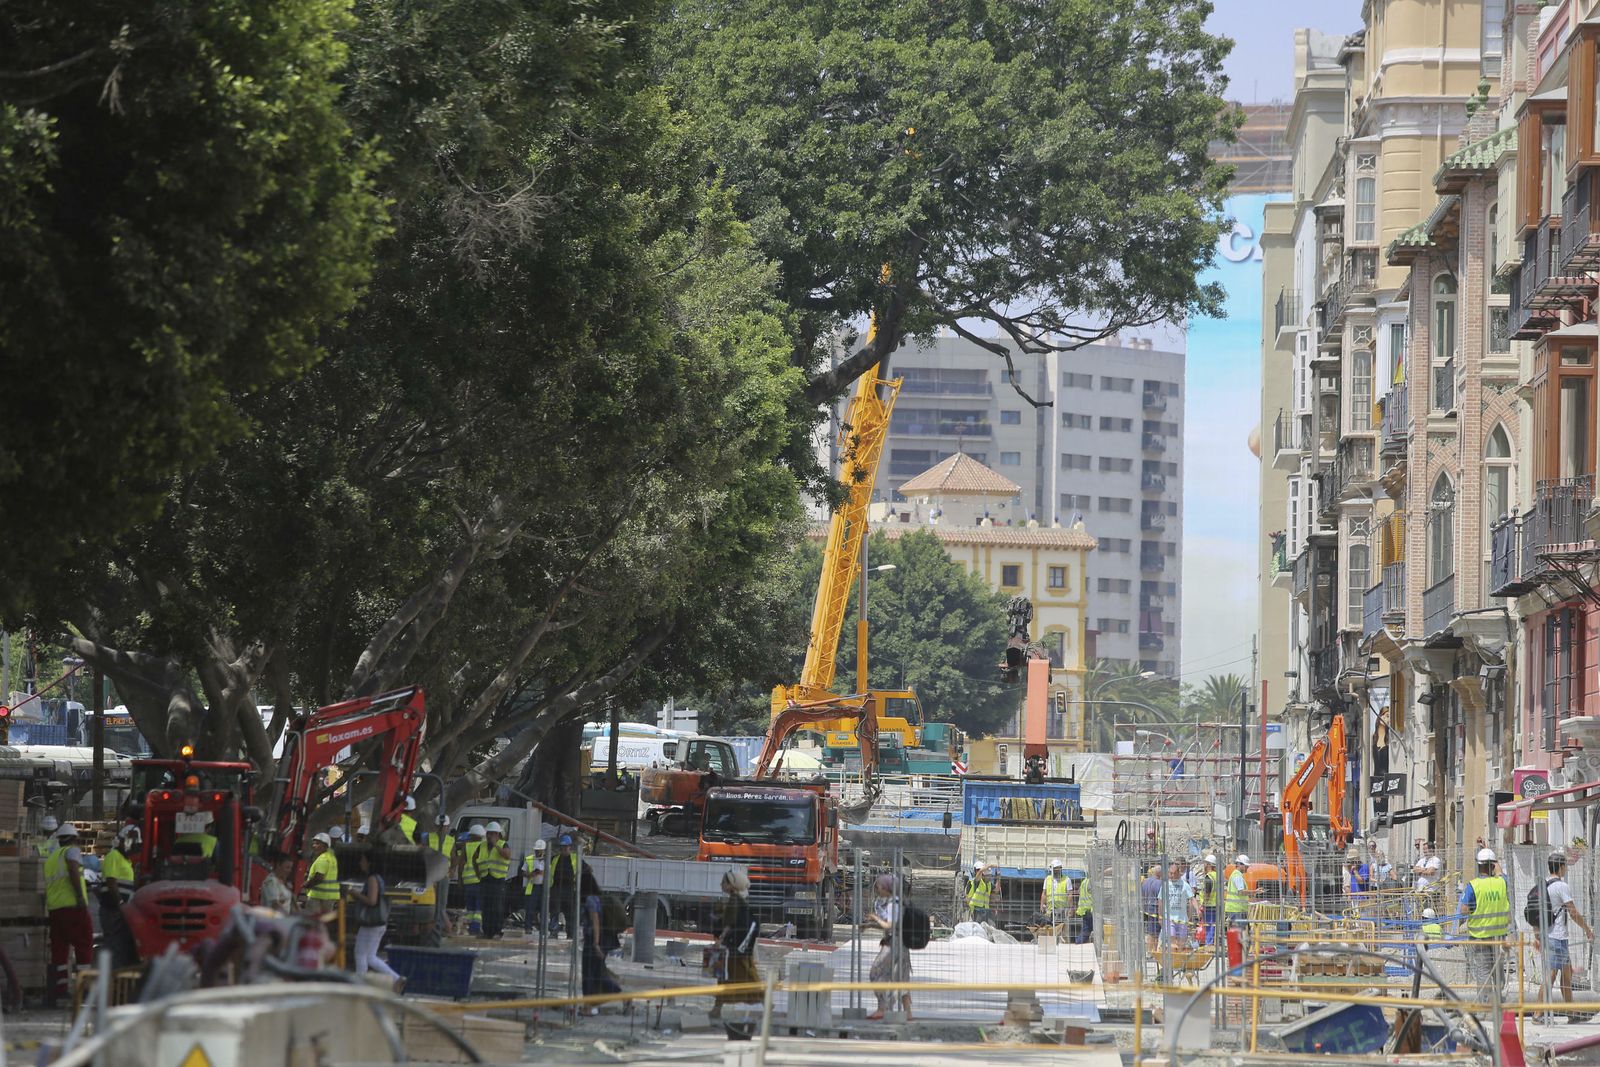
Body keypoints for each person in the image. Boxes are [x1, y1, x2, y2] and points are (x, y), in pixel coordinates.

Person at [1537, 851, 1593, 1009]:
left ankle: (1571, 1011)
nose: (1566, 870)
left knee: (1567, 975)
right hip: (1557, 937)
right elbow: (1573, 913)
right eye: (1565, 867)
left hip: (1551, 935)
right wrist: (1587, 930)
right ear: (1560, 867)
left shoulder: (1544, 884)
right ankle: (1537, 1013)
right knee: (1551, 976)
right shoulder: (1561, 886)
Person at [45, 823, 92, 1005]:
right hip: (73, 907)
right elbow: (73, 869)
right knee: (84, 945)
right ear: (74, 839)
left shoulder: (52, 858)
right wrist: (80, 896)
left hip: (55, 909)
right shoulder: (72, 852)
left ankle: (60, 989)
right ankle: (84, 988)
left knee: (60, 950)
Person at [1458, 847, 1510, 1006]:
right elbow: (1500, 872)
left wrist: (1456, 928)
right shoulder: (1501, 882)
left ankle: (1486, 1005)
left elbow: (1464, 910)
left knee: (1483, 972)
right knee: (1497, 970)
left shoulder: (1473, 886)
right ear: (1492, 865)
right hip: (1498, 936)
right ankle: (1499, 1002)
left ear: (1478, 866)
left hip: (1479, 936)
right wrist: (1492, 856)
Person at [347, 850, 403, 991]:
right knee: (370, 957)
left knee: (360, 953)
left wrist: (355, 894)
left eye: (363, 860)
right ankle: (396, 979)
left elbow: (372, 901)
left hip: (370, 923)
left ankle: (360, 987)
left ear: (369, 862)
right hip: (378, 924)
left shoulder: (372, 879)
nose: (361, 863)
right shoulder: (379, 878)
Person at [709, 868, 759, 1020]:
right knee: (729, 977)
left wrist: (719, 941)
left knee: (743, 976)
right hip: (738, 946)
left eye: (724, 882)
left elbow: (729, 924)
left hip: (735, 948)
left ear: (732, 885)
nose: (721, 884)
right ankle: (717, 1009)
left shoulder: (734, 901)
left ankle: (765, 1002)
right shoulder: (739, 899)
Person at [866, 873, 911, 1021]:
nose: (878, 890)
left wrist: (875, 918)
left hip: (893, 944)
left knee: (876, 972)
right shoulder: (900, 902)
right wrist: (870, 925)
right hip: (903, 944)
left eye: (879, 886)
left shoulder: (893, 904)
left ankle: (882, 1008)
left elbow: (890, 925)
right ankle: (908, 1013)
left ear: (887, 888)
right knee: (902, 978)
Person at [579, 864, 621, 1011]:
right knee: (597, 974)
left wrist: (595, 944)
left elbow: (596, 922)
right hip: (595, 940)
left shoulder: (590, 900)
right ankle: (622, 997)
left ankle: (588, 1005)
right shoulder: (597, 897)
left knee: (589, 975)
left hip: (594, 942)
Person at [98, 825, 140, 968]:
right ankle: (110, 975)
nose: (131, 847)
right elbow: (111, 882)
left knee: (120, 943)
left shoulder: (125, 861)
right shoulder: (113, 856)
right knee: (113, 944)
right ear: (122, 841)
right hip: (113, 909)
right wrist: (121, 903)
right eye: (129, 843)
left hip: (119, 910)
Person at [423, 813, 456, 936]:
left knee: (441, 904)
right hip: (430, 876)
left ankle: (445, 928)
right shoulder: (428, 838)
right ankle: (444, 927)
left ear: (448, 827)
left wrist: (452, 869)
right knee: (431, 903)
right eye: (440, 827)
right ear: (436, 827)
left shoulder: (450, 840)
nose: (443, 829)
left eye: (445, 827)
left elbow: (454, 857)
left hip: (443, 876)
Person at [478, 821, 511, 939]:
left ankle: (497, 931)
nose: (489, 836)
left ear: (498, 835)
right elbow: (474, 859)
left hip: (498, 880)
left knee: (497, 907)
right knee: (486, 907)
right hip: (485, 879)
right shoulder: (482, 845)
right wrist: (479, 874)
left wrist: (495, 845)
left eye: (492, 834)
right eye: (488, 834)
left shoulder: (503, 844)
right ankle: (487, 931)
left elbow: (507, 855)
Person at [301, 832, 341, 915]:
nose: (314, 846)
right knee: (323, 923)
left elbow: (319, 877)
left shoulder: (323, 859)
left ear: (325, 846)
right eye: (314, 843)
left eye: (317, 844)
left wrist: (307, 884)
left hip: (317, 896)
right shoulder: (332, 857)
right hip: (329, 897)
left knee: (311, 921)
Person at [549, 834, 579, 938]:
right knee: (554, 911)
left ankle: (570, 934)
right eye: (562, 847)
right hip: (556, 888)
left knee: (570, 913)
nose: (564, 849)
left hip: (569, 889)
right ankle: (553, 932)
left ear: (570, 847)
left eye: (566, 847)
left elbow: (587, 870)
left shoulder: (575, 859)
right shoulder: (554, 859)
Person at [460, 823, 486, 934]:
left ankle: (470, 927)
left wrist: (460, 880)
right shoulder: (483, 846)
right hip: (479, 880)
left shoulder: (466, 846)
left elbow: (461, 864)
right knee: (478, 908)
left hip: (467, 881)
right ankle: (475, 929)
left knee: (470, 908)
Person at [1163, 860, 1193, 949]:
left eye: (1174, 873)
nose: (1171, 875)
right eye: (1170, 873)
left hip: (1182, 919)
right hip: (1169, 918)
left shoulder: (1185, 885)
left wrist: (1190, 915)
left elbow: (1191, 900)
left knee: (1181, 944)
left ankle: (1179, 961)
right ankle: (1172, 961)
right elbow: (1160, 901)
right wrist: (1160, 916)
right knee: (1172, 943)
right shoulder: (1165, 885)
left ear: (1179, 873)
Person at [522, 839, 548, 936]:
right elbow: (523, 872)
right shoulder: (529, 859)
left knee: (544, 908)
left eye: (539, 850)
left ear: (544, 850)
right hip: (532, 886)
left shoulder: (548, 860)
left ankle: (543, 928)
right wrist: (531, 874)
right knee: (530, 908)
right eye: (536, 850)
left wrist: (542, 873)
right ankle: (528, 927)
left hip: (543, 887)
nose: (538, 852)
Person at [1040, 859, 1071, 938]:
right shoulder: (1048, 879)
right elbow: (1044, 893)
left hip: (1063, 909)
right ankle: (1051, 944)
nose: (1056, 872)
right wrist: (1042, 905)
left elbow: (1069, 895)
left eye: (1058, 869)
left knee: (1063, 931)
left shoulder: (1066, 879)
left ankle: (1064, 945)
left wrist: (1071, 908)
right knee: (1049, 929)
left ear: (1060, 869)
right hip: (1050, 909)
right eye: (1054, 870)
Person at [1140, 864, 1163, 956]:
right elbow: (1160, 898)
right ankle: (1153, 952)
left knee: (1150, 931)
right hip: (1155, 909)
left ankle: (1149, 951)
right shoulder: (1159, 883)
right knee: (1155, 933)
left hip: (1146, 908)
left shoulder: (1145, 882)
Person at [1224, 854, 1251, 929]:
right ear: (1239, 865)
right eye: (1246, 866)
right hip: (1236, 909)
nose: (1247, 868)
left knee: (1238, 932)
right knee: (1238, 932)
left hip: (1236, 908)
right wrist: (1254, 892)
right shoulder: (1237, 876)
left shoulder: (1237, 875)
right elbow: (1241, 892)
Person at [1197, 856, 1218, 946]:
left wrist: (1202, 905)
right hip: (1217, 904)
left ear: (1208, 865)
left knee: (1209, 927)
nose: (1204, 865)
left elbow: (1207, 894)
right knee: (1213, 926)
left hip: (1209, 906)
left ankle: (1208, 945)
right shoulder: (1217, 875)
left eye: (1205, 863)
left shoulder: (1208, 877)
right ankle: (1211, 943)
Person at [1073, 870, 1094, 945]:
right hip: (1089, 910)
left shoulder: (1084, 882)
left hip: (1085, 910)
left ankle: (1079, 942)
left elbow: (1079, 892)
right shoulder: (1091, 882)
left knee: (1086, 930)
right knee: (1086, 931)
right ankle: (1078, 943)